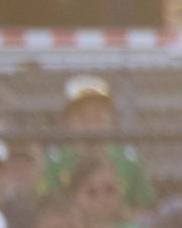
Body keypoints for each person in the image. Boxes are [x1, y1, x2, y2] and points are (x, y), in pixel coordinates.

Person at [37, 76, 155, 210]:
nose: (90, 124)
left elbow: (144, 208)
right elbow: (45, 208)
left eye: (98, 116)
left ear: (111, 119)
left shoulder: (128, 159)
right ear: (68, 121)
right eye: (82, 117)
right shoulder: (57, 161)